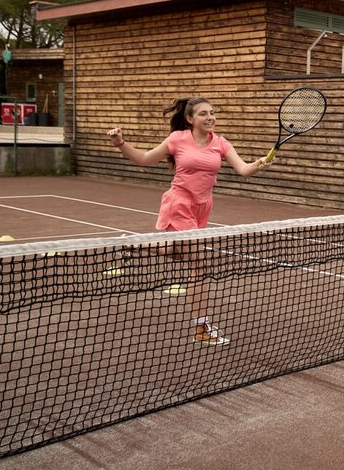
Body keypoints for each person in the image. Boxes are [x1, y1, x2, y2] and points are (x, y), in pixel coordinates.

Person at [107, 97, 271, 346]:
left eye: (213, 113)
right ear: (190, 119)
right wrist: (121, 144)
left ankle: (135, 244)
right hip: (179, 203)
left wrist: (259, 164)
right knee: (199, 264)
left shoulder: (221, 143)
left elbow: (243, 169)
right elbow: (143, 159)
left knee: (172, 250)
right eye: (204, 113)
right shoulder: (177, 139)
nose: (210, 117)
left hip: (202, 208)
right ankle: (201, 326)